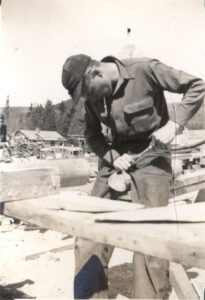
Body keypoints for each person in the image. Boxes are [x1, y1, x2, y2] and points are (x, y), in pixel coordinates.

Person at [61, 54, 205, 299]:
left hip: (152, 156)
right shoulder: (93, 95)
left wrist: (175, 124)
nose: (88, 99)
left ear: (96, 73)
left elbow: (197, 85)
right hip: (116, 158)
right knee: (88, 233)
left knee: (150, 236)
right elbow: (92, 135)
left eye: (88, 92)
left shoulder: (145, 70)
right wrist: (113, 157)